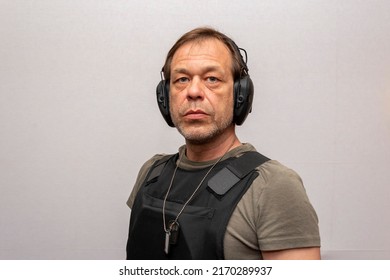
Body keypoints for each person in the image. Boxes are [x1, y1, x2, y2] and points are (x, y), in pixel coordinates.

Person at [126, 27, 321, 260]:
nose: (194, 91)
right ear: (165, 97)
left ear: (240, 95)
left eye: (212, 79)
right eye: (182, 79)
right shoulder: (151, 173)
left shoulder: (272, 186)